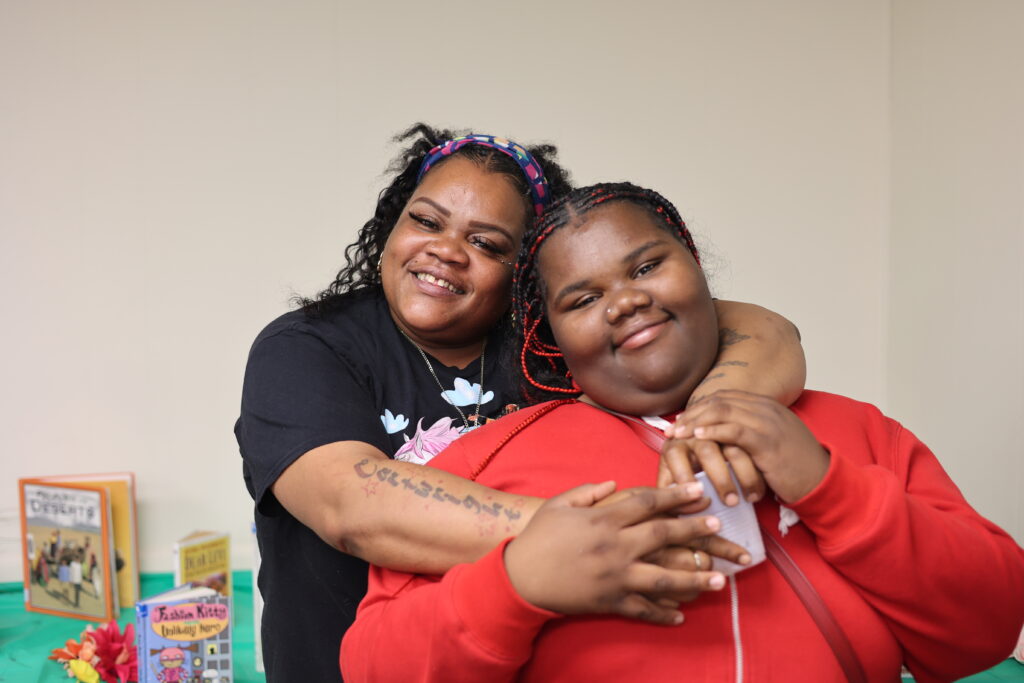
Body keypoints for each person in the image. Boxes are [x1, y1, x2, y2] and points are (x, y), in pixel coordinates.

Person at [341, 182, 1024, 682]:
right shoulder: (485, 459)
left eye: (646, 266)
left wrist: (828, 482)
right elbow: (373, 665)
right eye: (581, 298)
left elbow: (987, 627)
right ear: (551, 337)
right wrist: (516, 584)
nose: (627, 299)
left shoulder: (855, 430)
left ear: (698, 269)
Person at [236, 127, 807, 681]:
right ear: (393, 225)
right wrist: (591, 538)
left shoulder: (554, 340)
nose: (446, 251)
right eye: (426, 221)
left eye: (486, 243)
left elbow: (762, 328)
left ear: (527, 274)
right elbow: (351, 505)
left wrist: (713, 421)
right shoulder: (307, 348)